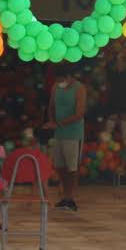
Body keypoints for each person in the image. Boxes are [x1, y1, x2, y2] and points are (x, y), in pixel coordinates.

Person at [47, 67, 87, 211]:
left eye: (61, 80)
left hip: (73, 133)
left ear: (69, 77)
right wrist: (52, 121)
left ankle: (70, 198)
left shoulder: (79, 88)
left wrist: (60, 123)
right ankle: (64, 196)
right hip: (59, 133)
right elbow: (51, 106)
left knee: (72, 168)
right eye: (57, 80)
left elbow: (80, 112)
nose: (59, 82)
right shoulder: (55, 87)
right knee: (60, 166)